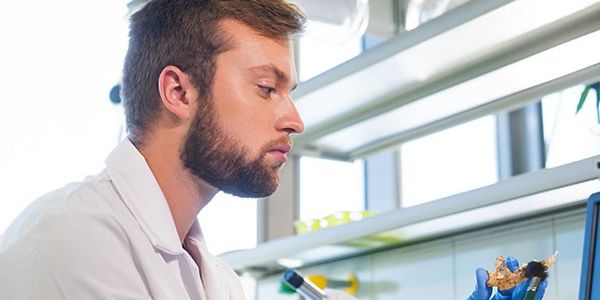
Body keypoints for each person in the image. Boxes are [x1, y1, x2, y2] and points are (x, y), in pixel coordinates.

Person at [0, 0, 548, 299]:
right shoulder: (72, 240)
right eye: (267, 88)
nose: (294, 118)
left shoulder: (217, 279)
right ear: (178, 91)